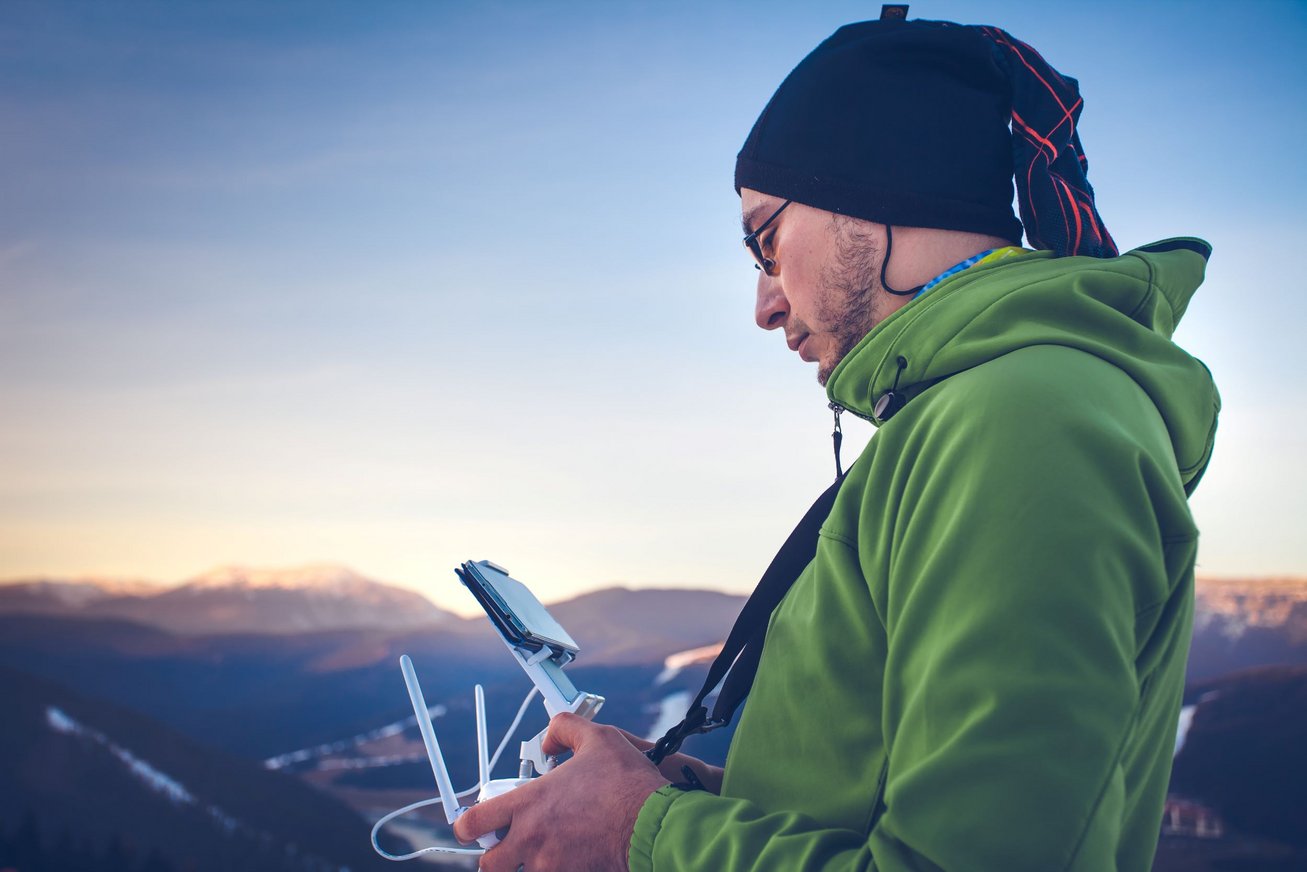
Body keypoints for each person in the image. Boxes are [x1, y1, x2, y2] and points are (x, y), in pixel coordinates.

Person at [454, 10, 1218, 872]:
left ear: (875, 189)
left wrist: (647, 836)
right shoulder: (970, 416)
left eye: (765, 241)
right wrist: (675, 803)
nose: (764, 306)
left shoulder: (1018, 419)